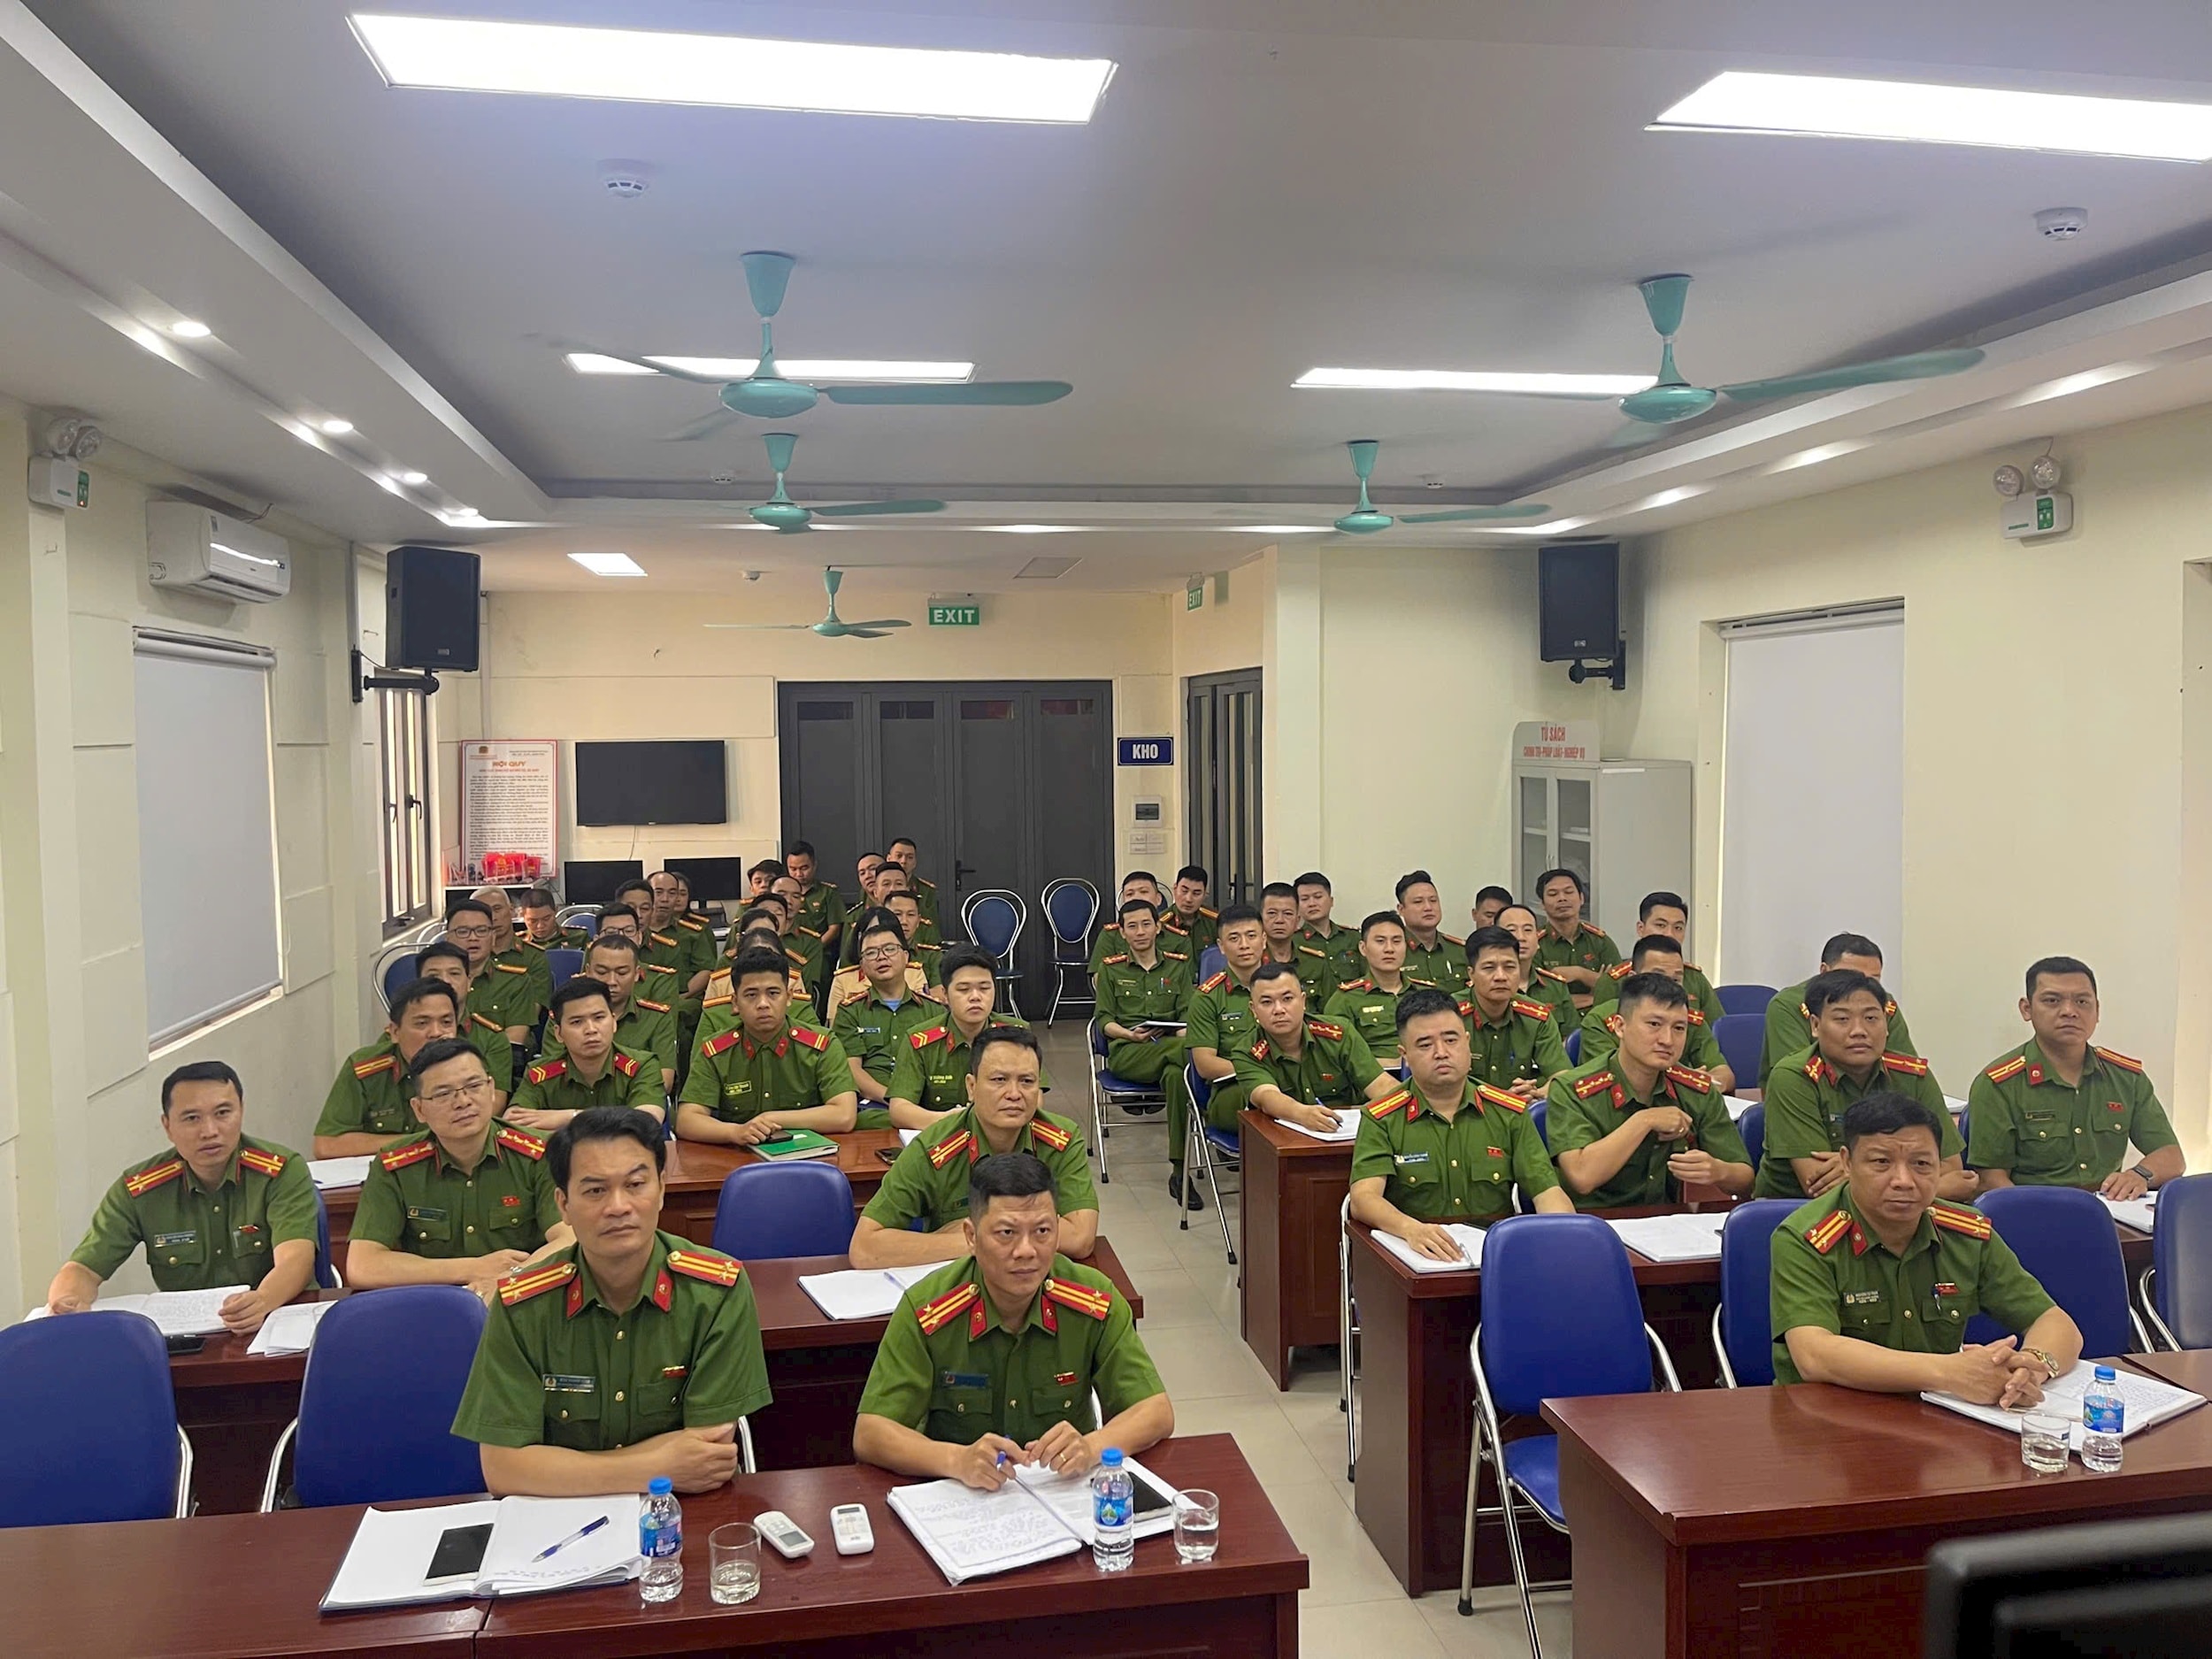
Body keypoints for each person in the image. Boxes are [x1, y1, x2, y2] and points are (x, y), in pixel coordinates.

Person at [451, 1109, 772, 1495]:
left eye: (635, 1184)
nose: (618, 1206)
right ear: (564, 1205)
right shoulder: (522, 1305)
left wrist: (553, 1468)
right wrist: (657, 1466)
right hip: (556, 1518)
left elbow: (707, 1451)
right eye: (595, 1191)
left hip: (679, 1510)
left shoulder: (717, 1290)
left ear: (662, 1189)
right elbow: (503, 1469)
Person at [853, 1152, 1170, 1485]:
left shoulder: (1094, 1301)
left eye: (1042, 1231)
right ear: (971, 1236)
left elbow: (1156, 1411)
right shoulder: (928, 1310)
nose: (1026, 1250)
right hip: (963, 1495)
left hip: (1064, 1492)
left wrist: (1092, 1447)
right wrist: (956, 1459)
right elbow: (871, 1433)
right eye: (1007, 1233)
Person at [1770, 1094, 2084, 1397]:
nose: (1904, 1180)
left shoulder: (1966, 1233)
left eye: (1921, 1164)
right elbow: (1814, 1354)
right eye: (1881, 1162)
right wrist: (1950, 1372)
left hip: (1937, 1412)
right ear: (1847, 1163)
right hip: (1829, 1412)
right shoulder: (1807, 1238)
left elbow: (2054, 1322)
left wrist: (2032, 1367)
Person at [46, 1061, 315, 1333]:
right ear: (167, 1126)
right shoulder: (141, 1189)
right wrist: (66, 1302)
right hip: (191, 1338)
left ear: (241, 1111)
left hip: (276, 1322)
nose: (209, 1131)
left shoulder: (280, 1171)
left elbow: (296, 1258)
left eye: (223, 1113)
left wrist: (262, 1300)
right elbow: (83, 1269)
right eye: (192, 1118)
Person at [1350, 988, 1573, 1261]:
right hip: (1416, 1255)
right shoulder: (1382, 1117)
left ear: (1467, 1042)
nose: (1441, 1053)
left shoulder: (1507, 1112)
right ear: (1404, 1054)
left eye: (1451, 1040)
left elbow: (1547, 1192)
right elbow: (1363, 1199)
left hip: (1494, 1255)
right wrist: (1411, 1230)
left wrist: (1565, 1243)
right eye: (1425, 1045)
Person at [853, 1026, 1098, 1267]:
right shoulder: (935, 1148)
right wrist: (974, 1241)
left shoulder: (1060, 1139)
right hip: (957, 1278)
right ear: (972, 1087)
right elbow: (865, 1248)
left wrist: (976, 1232)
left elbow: (1080, 1238)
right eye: (999, 1080)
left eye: (1026, 1081)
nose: (1014, 1093)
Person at [346, 1038, 572, 1294]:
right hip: (436, 1302)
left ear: (491, 1088)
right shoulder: (395, 1166)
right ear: (419, 1109)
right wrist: (473, 1268)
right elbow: (363, 1266)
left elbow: (569, 1239)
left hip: (526, 1296)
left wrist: (507, 1281)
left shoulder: (541, 1152)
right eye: (443, 1094)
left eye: (474, 1086)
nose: (463, 1101)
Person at [1968, 956, 2185, 1198]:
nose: (2069, 1012)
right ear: (2027, 1009)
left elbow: (2172, 1156)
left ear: (2097, 1010)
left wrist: (2138, 1175)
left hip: (2108, 1210)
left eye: (2082, 1002)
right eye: (2052, 1001)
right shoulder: (1998, 1084)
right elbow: (1992, 1182)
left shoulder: (2126, 1078)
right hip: (2033, 1211)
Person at [1755, 969, 1971, 1202]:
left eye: (1871, 1018)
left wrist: (1858, 1169)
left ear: (1886, 1025)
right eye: (1842, 1019)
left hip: (1904, 1210)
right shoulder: (1794, 1077)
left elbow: (1952, 1167)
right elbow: (1820, 1185)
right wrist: (1925, 1183)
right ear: (1815, 1026)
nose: (1859, 1031)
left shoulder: (1912, 1076)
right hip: (1798, 1209)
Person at [1546, 972, 1753, 1207]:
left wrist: (1718, 1171)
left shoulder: (1696, 1089)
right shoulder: (1573, 1089)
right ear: (1620, 1027)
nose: (1667, 1040)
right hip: (1593, 1222)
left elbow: (1745, 1179)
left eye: (1679, 1028)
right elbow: (1582, 1177)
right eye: (1654, 1024)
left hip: (1666, 1222)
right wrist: (1645, 1120)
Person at [676, 947, 857, 1145]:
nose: (763, 1003)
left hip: (810, 1153)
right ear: (735, 1003)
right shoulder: (716, 1052)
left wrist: (769, 1119)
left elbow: (844, 1115)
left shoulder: (822, 1045)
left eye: (773, 993)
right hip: (739, 1154)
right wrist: (735, 1132)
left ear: (789, 997)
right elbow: (686, 1120)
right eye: (751, 995)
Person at [1164, 902, 1265, 1210]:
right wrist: (1260, 1075)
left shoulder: (1282, 987)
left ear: (1264, 940)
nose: (1244, 945)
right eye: (1234, 938)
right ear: (1221, 947)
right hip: (1229, 1092)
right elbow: (1206, 1065)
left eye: (1251, 936)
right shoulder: (1208, 997)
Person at [886, 946, 1049, 1129]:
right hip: (942, 1136)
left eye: (984, 988)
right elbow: (899, 1110)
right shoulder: (920, 1040)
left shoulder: (1017, 1034)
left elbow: (1035, 1101)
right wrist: (953, 1122)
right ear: (945, 995)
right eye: (964, 989)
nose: (975, 997)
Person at [1231, 963, 1397, 1132]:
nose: (1279, 1010)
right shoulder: (1247, 1052)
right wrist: (1302, 1114)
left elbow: (1381, 1085)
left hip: (1345, 1133)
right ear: (1253, 1009)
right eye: (1267, 1002)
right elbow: (1267, 1096)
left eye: (1287, 999)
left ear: (1303, 1001)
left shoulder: (1339, 1034)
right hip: (1283, 1137)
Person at [314, 976, 469, 1156]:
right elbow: (326, 1145)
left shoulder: (470, 1066)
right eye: (422, 1023)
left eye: (446, 1022)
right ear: (395, 1032)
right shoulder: (366, 1069)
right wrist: (419, 1144)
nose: (436, 1033)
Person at [1757, 933, 1919, 1088]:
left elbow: (1904, 1068)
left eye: (1872, 980)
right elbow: (1797, 1075)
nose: (1861, 987)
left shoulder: (1883, 1003)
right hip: (1811, 1095)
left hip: (1877, 1093)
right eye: (1849, 977)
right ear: (1824, 971)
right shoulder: (1787, 1004)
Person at [832, 909, 943, 1129]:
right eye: (871, 953)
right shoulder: (850, 1011)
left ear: (906, 956)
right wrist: (896, 1102)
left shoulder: (934, 1010)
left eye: (890, 949)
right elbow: (852, 1071)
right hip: (874, 1108)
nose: (881, 957)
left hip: (925, 1105)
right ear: (862, 965)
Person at [1575, 935, 1733, 1090]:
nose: (1667, 986)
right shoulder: (1601, 1020)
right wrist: (1686, 1080)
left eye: (1676, 980)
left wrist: (1709, 1082)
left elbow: (1724, 1074)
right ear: (1633, 978)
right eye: (1658, 977)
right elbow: (1611, 1079)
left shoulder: (1687, 1018)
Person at [507, 979, 667, 1133]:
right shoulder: (540, 1074)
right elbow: (512, 1123)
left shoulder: (641, 1066)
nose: (591, 1029)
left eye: (599, 1018)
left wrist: (571, 1117)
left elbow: (647, 1123)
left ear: (614, 1022)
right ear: (558, 1033)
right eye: (577, 1022)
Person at [537, 932, 678, 1096]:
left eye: (622, 973)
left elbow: (664, 1082)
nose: (611, 981)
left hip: (636, 1105)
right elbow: (550, 1077)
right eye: (602, 972)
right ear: (588, 971)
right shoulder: (563, 1017)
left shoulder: (657, 1017)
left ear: (636, 974)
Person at [1092, 898, 1192, 1100]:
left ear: (1158, 928)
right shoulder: (1110, 969)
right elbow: (1104, 1020)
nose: (1140, 932)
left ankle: (1184, 1126)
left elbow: (1187, 1014)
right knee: (1194, 1050)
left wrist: (1182, 1032)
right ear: (1122, 933)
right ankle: (1228, 1068)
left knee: (1175, 1075)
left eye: (1146, 924)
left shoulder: (1178, 967)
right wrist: (1130, 1035)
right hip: (1128, 1051)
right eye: (1132, 926)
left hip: (1168, 1043)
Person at [1460, 926, 1572, 1095]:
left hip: (1523, 1108)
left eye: (1510, 967)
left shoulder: (1536, 1017)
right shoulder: (1450, 1016)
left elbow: (1563, 1077)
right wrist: (1502, 1100)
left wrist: (1537, 1093)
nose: (1501, 976)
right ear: (1471, 974)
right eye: (1489, 968)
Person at [1587, 891, 1719, 1023]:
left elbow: (1718, 1026)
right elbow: (1603, 1028)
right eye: (1661, 925)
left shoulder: (1695, 978)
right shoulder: (1612, 982)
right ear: (1641, 928)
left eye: (1678, 928)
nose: (1669, 934)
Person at [418, 940, 518, 1094]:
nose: (445, 981)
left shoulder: (492, 1038)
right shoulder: (405, 1034)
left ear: (469, 980)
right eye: (433, 975)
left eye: (454, 974)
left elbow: (496, 1098)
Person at [1325, 911, 1427, 1061]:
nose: (1389, 949)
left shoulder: (1425, 994)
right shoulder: (1345, 999)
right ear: (1363, 948)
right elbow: (1336, 1055)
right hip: (1373, 1074)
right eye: (1380, 941)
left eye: (1397, 941)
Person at [449, 897, 538, 1048]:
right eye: (463, 932)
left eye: (481, 931)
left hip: (499, 1059)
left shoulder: (516, 982)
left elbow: (514, 1043)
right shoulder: (434, 982)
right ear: (448, 938)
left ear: (493, 937)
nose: (473, 938)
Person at [1532, 868, 1618, 1010]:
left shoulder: (1600, 942)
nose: (1562, 898)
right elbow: (1538, 1000)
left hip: (1599, 1020)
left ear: (1581, 898)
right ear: (1543, 904)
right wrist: (1595, 993)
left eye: (1569, 892)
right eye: (1553, 894)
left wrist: (1580, 974)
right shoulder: (1534, 944)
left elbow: (1618, 990)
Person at [1257, 879, 1335, 1008]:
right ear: (1261, 918)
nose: (1279, 920)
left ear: (1298, 920)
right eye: (1272, 914)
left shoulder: (1316, 963)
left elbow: (1329, 1011)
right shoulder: (1252, 961)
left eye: (1288, 914)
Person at [1494, 902, 1578, 1019]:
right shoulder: (1487, 985)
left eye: (1528, 930)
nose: (1521, 937)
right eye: (1512, 930)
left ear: (1537, 939)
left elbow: (1572, 1030)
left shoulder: (1556, 987)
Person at [1395, 871, 1467, 991]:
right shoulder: (1393, 950)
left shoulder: (1461, 951)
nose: (1428, 907)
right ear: (1401, 909)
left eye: (1433, 900)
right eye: (1418, 902)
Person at [1087, 871, 1167, 975]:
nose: (1136, 897)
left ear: (1158, 899)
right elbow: (1098, 976)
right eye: (1130, 894)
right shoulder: (1111, 934)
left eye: (1144, 892)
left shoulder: (1176, 936)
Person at [1295, 871, 1364, 986]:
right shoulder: (1293, 942)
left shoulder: (1353, 938)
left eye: (1318, 897)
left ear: (1331, 901)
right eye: (1305, 899)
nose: (1312, 903)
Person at [786, 840, 842, 962]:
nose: (799, 874)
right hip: (788, 956)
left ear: (814, 865)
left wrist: (813, 950)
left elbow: (834, 929)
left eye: (804, 868)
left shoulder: (828, 892)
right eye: (793, 869)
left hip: (820, 955)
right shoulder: (782, 895)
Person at [1163, 864, 1219, 958]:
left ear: (1205, 895)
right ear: (1175, 889)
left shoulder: (1215, 922)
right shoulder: (1160, 924)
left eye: (1196, 893)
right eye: (1184, 891)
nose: (1189, 899)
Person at [885, 835, 941, 929]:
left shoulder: (926, 891)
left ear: (915, 862)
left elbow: (932, 927)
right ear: (889, 859)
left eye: (910, 857)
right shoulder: (876, 888)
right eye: (899, 856)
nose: (903, 861)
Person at [518, 887, 590, 952]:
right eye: (533, 921)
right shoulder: (518, 943)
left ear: (555, 911)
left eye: (546, 919)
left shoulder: (579, 938)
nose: (540, 926)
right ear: (522, 915)